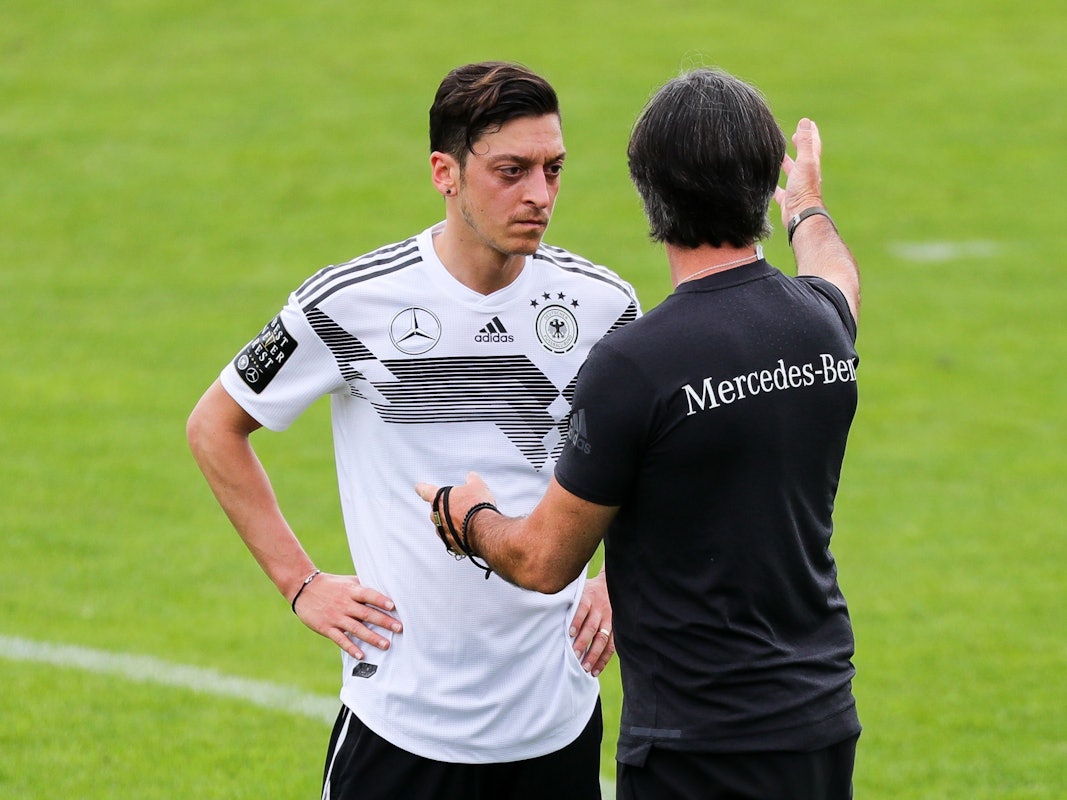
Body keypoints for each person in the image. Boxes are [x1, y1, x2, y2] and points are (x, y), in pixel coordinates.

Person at [187, 61, 639, 800]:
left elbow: (654, 459)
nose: (539, 195)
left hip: (554, 722)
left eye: (554, 169)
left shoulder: (602, 307)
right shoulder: (351, 302)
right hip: (399, 726)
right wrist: (299, 584)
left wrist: (617, 579)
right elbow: (215, 425)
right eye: (511, 170)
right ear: (444, 172)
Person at [417, 67, 863, 800]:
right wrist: (806, 205)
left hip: (699, 748)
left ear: (647, 190)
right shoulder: (818, 324)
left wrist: (467, 516)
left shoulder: (636, 364)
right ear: (758, 185)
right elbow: (836, 274)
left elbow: (541, 561)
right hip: (820, 721)